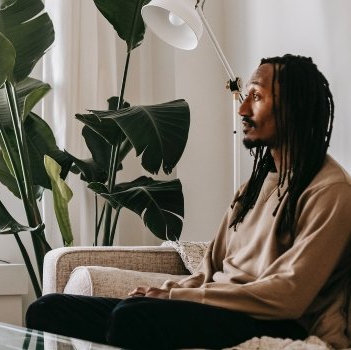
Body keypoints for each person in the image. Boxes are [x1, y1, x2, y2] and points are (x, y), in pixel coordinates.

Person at [26, 54, 351, 349]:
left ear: (294, 107)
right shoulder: (253, 188)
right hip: (222, 309)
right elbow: (211, 270)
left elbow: (289, 295)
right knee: (49, 310)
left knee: (134, 318)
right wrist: (167, 291)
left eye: (256, 97)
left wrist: (177, 296)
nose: (242, 109)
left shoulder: (330, 190)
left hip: (279, 321)